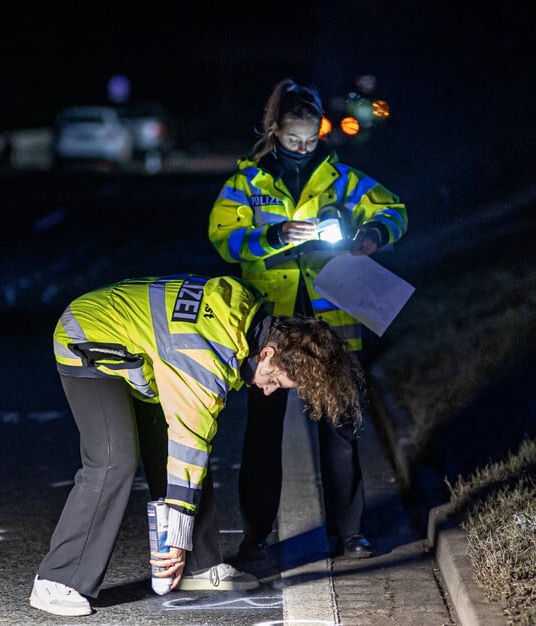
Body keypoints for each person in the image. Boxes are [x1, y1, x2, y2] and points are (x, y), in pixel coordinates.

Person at [29, 274, 365, 617]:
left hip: (140, 351)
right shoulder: (203, 361)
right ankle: (57, 578)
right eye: (275, 380)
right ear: (267, 352)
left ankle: (200, 566)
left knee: (183, 453)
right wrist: (175, 542)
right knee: (115, 458)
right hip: (87, 338)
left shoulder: (244, 315)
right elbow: (188, 445)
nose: (267, 390)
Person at [207, 78, 408, 562]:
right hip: (271, 321)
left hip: (333, 316)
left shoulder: (342, 179)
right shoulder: (247, 183)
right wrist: (274, 235)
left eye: (311, 139)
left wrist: (373, 235)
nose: (302, 148)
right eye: (293, 139)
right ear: (274, 131)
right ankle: (256, 535)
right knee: (263, 431)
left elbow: (394, 210)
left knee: (340, 422)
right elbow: (222, 237)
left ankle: (350, 533)